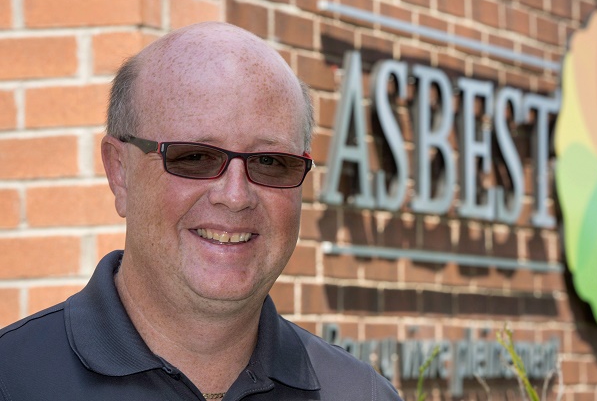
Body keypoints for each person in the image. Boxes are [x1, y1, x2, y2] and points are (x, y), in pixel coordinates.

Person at [0, 22, 401, 401]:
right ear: (120, 172)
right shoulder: (12, 379)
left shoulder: (359, 392)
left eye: (269, 162)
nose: (236, 195)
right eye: (194, 157)